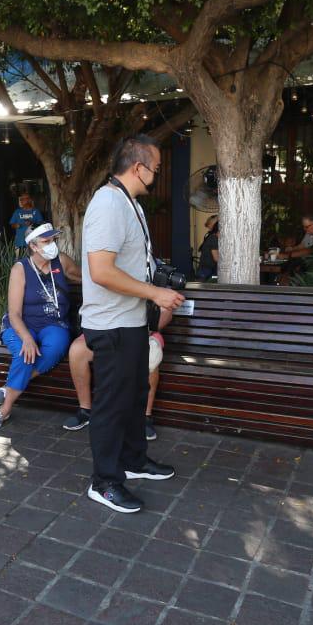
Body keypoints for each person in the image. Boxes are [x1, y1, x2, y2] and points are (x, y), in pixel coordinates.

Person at [79, 136, 185, 514]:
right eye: (154, 168)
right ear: (138, 167)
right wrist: (155, 293)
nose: (156, 175)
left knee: (135, 395)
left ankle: (134, 461)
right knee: (111, 404)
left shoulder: (131, 205)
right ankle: (104, 482)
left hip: (132, 320)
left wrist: (157, 282)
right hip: (111, 324)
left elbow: (131, 262)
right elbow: (101, 271)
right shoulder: (107, 204)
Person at [0, 223, 80, 429]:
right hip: (21, 324)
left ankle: (8, 388)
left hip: (54, 324)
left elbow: (85, 277)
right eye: (46, 241)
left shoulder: (61, 261)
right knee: (24, 353)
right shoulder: (20, 269)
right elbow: (14, 313)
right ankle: (5, 409)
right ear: (34, 246)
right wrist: (27, 339)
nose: (52, 245)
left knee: (56, 347)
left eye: (53, 240)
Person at [62, 303, 174, 440]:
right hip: (106, 329)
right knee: (77, 350)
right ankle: (85, 410)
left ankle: (145, 416)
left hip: (145, 331)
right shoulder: (109, 281)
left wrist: (143, 331)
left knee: (149, 354)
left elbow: (166, 312)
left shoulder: (153, 282)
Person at [196, 214, 219, 280]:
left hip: (206, 269)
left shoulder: (209, 236)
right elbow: (216, 258)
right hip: (206, 270)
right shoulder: (213, 238)